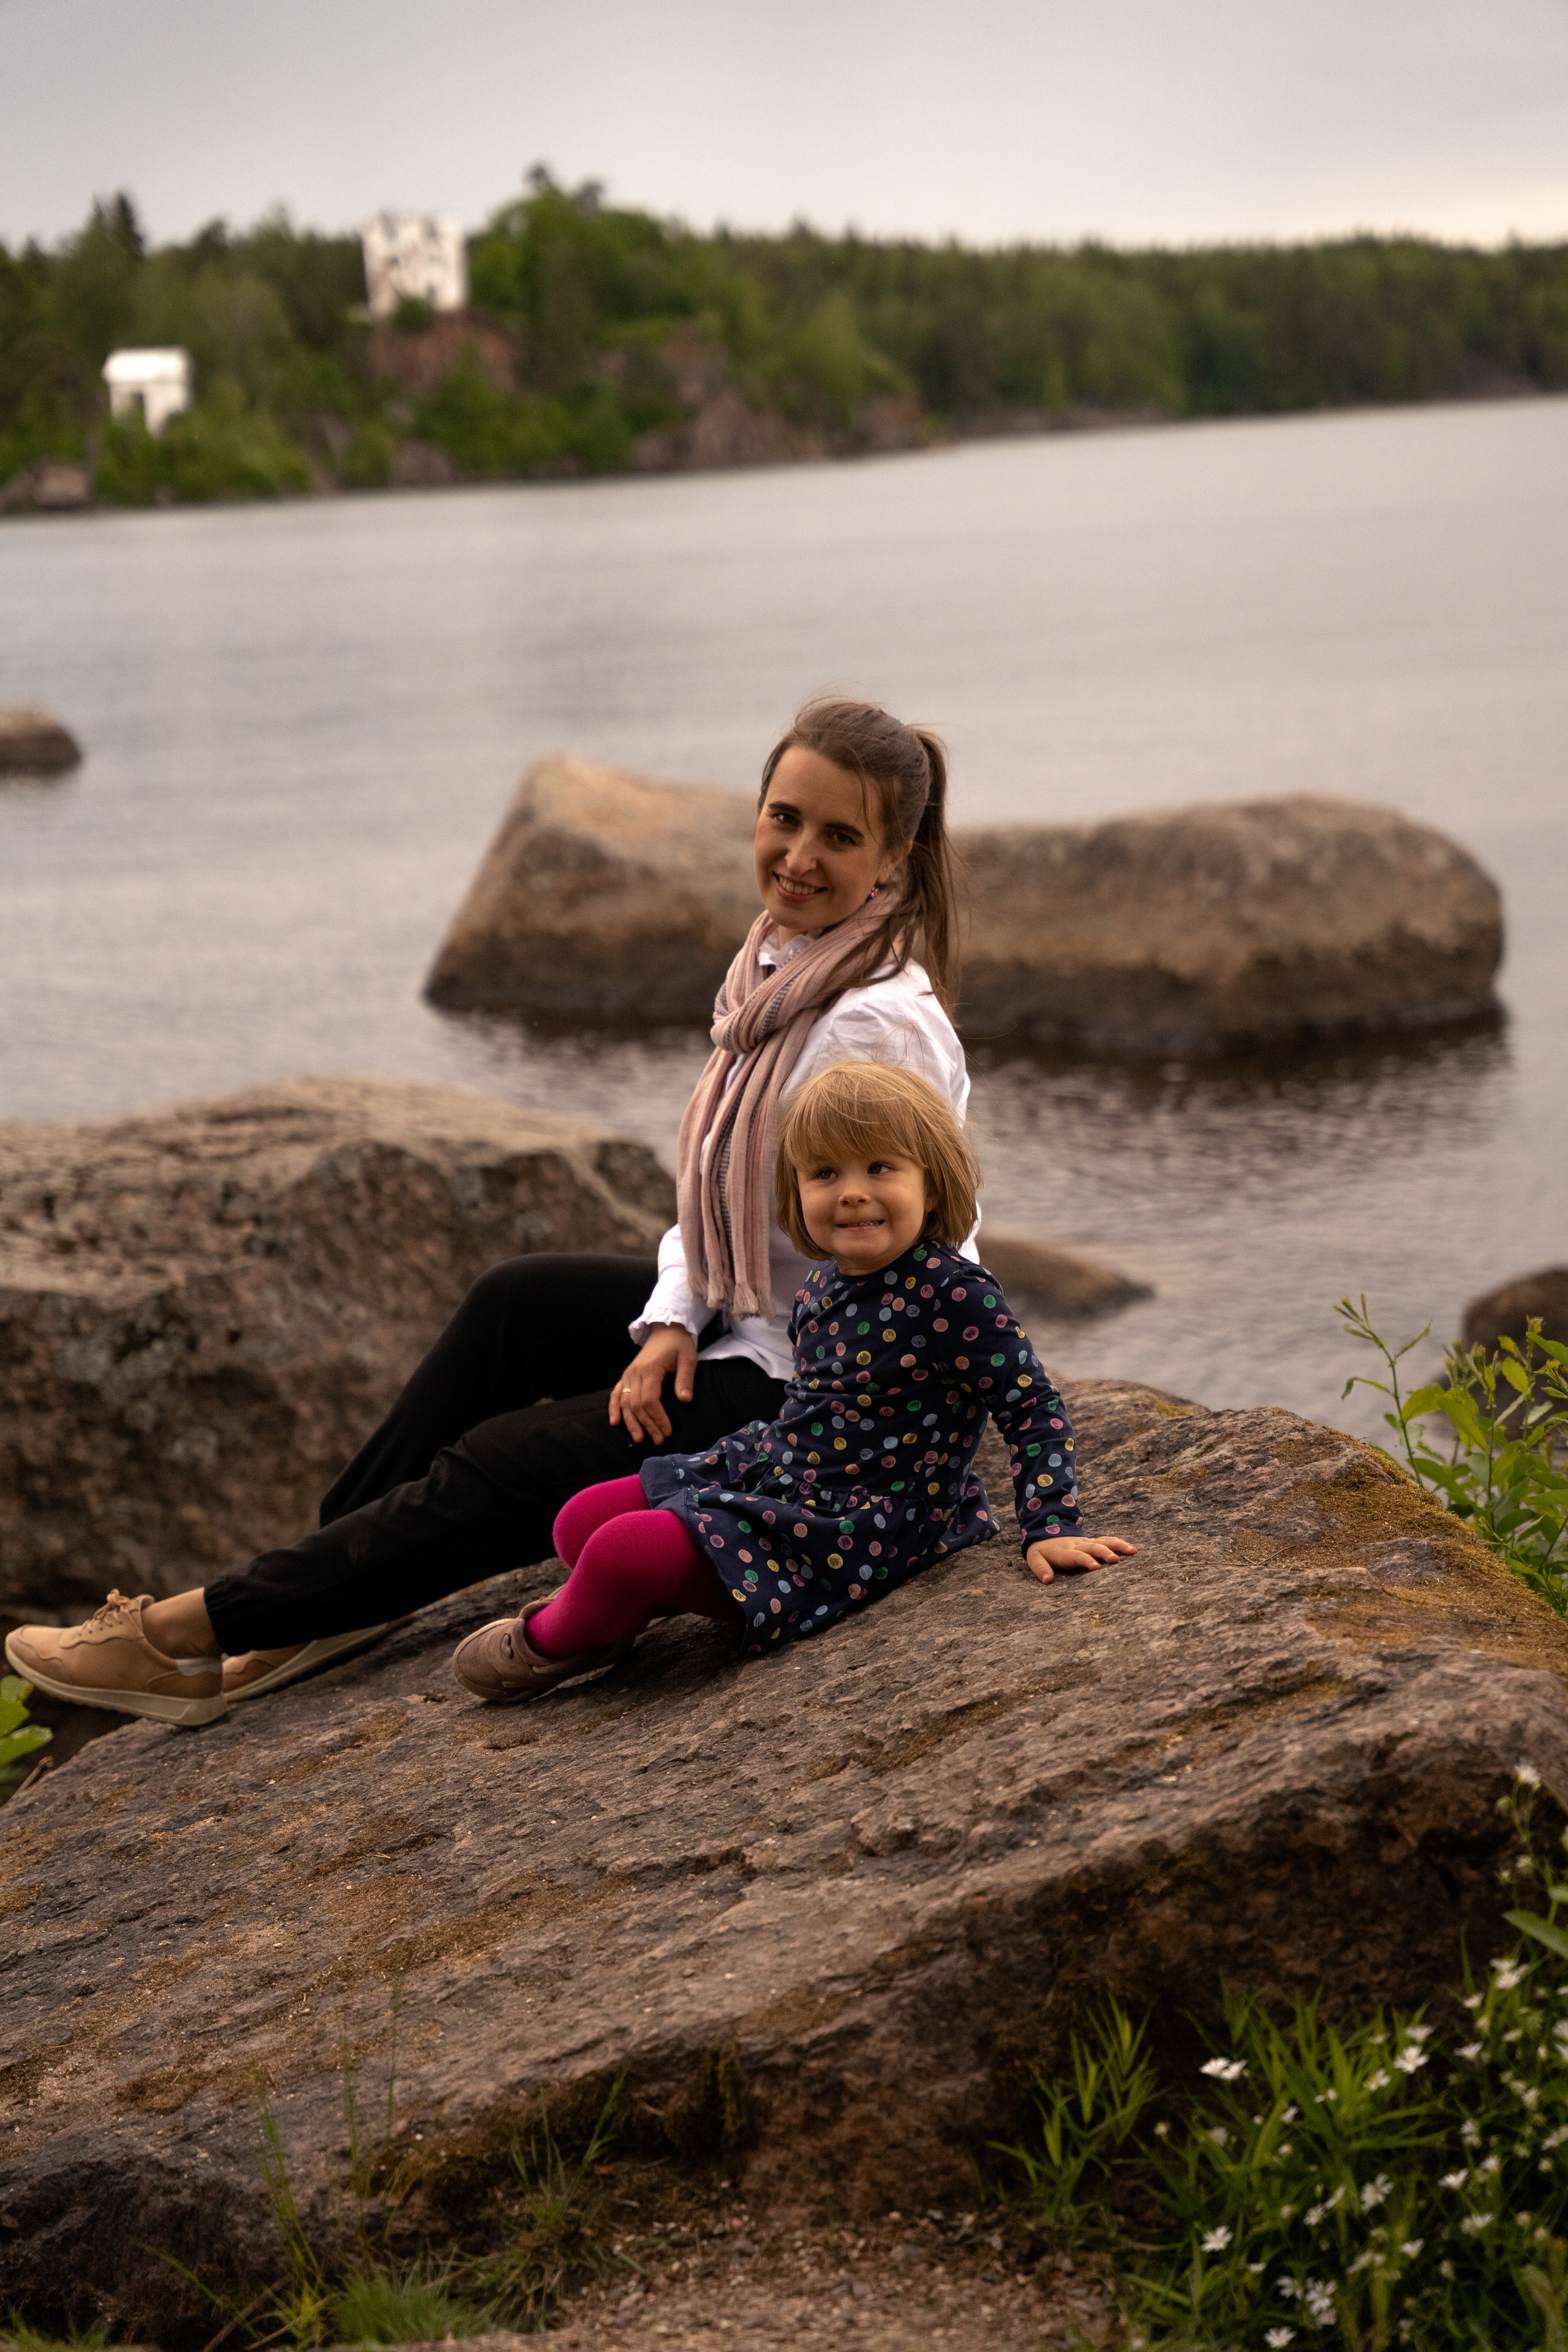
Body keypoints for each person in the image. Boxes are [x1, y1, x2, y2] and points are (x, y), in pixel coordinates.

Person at [7, 698, 974, 1728]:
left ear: (893, 857)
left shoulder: (871, 1022)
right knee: (515, 1302)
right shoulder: (782, 976)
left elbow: (921, 1240)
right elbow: (716, 1210)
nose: (796, 856)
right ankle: (326, 1593)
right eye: (784, 818)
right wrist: (670, 1322)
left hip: (820, 1385)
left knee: (508, 1465)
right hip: (746, 1324)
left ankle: (196, 1632)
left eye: (838, 836)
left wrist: (833, 1422)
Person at [450, 1060, 1136, 1704]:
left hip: (865, 1519)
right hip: (789, 1468)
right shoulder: (823, 1284)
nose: (852, 1192)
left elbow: (1032, 1407)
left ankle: (553, 1641)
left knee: (614, 1553)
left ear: (933, 1181)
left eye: (879, 1167)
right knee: (577, 1522)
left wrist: (1049, 1524)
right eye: (824, 1174)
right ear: (795, 1191)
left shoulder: (953, 1293)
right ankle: (618, 1611)